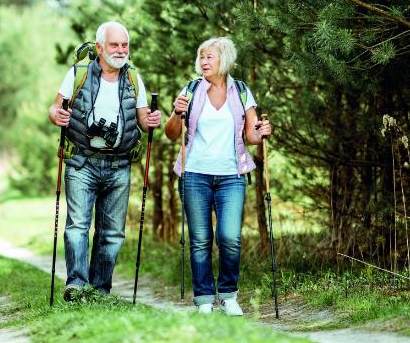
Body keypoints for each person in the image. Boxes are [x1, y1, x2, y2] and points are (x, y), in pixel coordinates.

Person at [48, 21, 162, 301]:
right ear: (100, 47)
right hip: (81, 163)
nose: (121, 50)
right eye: (115, 45)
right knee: (78, 226)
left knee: (112, 233)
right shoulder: (79, 73)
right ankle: (76, 284)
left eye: (125, 45)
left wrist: (151, 120)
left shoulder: (134, 78)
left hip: (119, 165)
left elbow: (143, 120)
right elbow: (55, 107)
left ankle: (100, 289)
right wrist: (56, 115)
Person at [164, 37, 272, 315]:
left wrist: (261, 132)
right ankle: (203, 299)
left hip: (231, 176)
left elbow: (251, 136)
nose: (203, 62)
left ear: (224, 59)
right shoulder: (190, 90)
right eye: (201, 57)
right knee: (200, 239)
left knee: (229, 236)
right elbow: (171, 133)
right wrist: (177, 113)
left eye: (209, 57)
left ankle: (228, 295)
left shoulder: (242, 91)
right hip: (195, 174)